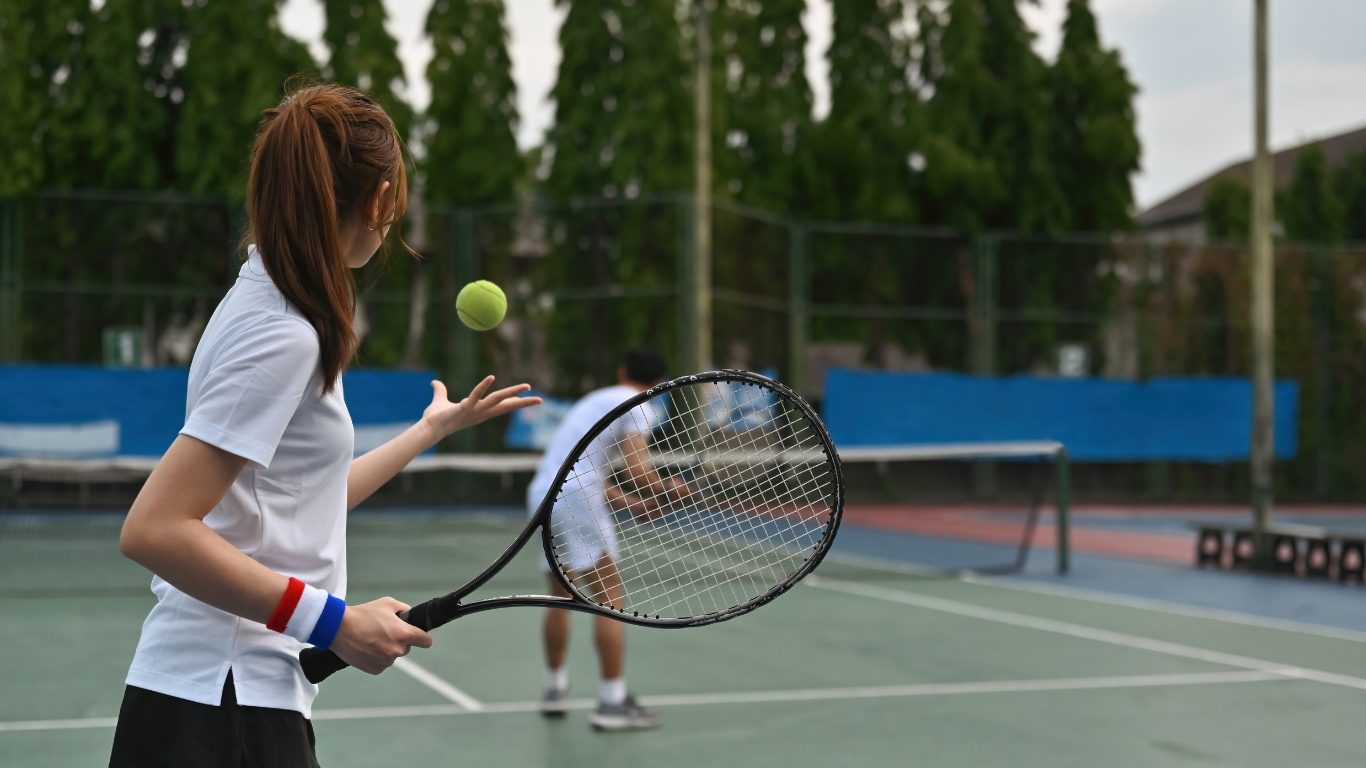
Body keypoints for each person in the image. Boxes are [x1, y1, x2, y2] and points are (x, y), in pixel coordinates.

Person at [109, 81, 540, 768]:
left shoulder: (263, 298)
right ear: (380, 200)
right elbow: (154, 529)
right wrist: (334, 623)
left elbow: (293, 501)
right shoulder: (284, 334)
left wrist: (429, 430)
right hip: (223, 704)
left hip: (219, 700)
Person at [528, 347, 684, 731]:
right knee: (609, 600)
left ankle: (554, 690)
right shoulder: (641, 404)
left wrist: (634, 504)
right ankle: (613, 704)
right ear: (659, 384)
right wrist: (671, 487)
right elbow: (637, 467)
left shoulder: (596, 399)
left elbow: (582, 470)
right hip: (575, 498)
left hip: (544, 494)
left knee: (561, 598)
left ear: (621, 370)